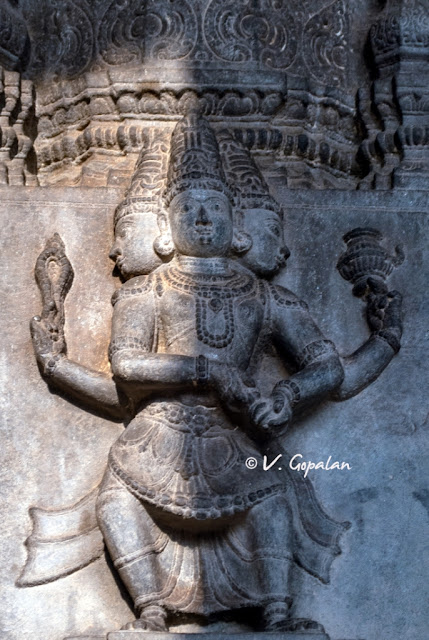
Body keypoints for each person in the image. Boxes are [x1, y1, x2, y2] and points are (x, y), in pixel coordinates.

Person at [27, 112, 402, 633]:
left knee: (271, 500)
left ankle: (276, 611)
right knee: (116, 502)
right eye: (188, 208)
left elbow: (327, 368)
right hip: (155, 440)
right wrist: (204, 370)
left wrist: (288, 394)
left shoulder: (265, 297)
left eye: (215, 207)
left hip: (236, 439)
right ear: (165, 228)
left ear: (239, 225)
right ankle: (151, 610)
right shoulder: (146, 290)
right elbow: (127, 368)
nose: (202, 217)